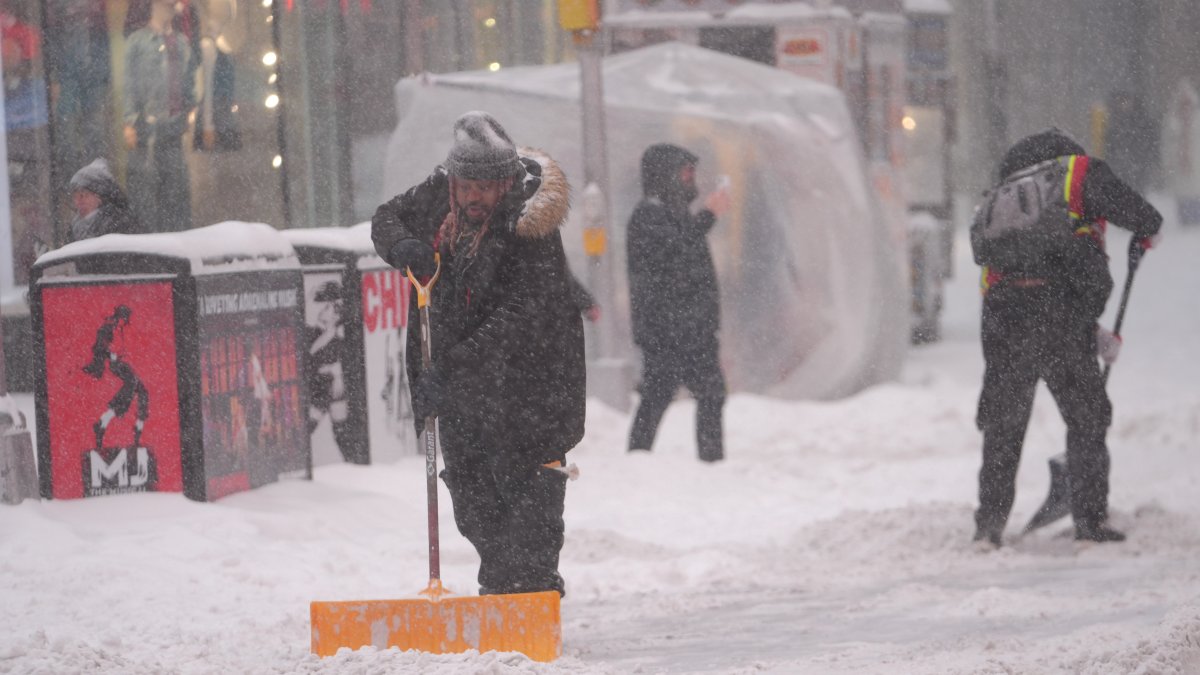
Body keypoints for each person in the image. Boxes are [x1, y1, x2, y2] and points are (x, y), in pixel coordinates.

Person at [371, 111, 585, 596]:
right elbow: (386, 217)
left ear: (505, 183)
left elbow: (519, 317)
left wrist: (450, 368)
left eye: (485, 188)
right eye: (465, 186)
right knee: (473, 504)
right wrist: (402, 246)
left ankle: (529, 596)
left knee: (528, 509)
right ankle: (505, 592)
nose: (473, 197)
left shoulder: (532, 229)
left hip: (530, 392)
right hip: (463, 394)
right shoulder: (440, 194)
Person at [970, 128, 1162, 547]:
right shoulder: (1077, 172)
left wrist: (1088, 331)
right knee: (1086, 416)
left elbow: (1007, 280)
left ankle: (988, 526)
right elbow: (1142, 216)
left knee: (1004, 424)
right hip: (1059, 313)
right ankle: (1090, 522)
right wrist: (1148, 230)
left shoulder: (1001, 197)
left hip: (1002, 316)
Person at [625, 143, 731, 462]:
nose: (690, 180)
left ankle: (710, 462)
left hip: (691, 326)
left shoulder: (674, 213)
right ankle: (636, 459)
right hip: (666, 329)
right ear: (666, 175)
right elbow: (675, 252)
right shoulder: (648, 214)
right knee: (658, 396)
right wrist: (708, 215)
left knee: (709, 393)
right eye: (685, 173)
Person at [123, 0, 196, 233]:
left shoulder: (181, 42)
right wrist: (130, 121)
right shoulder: (137, 42)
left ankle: (174, 238)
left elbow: (188, 80)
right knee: (145, 195)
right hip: (145, 128)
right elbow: (128, 84)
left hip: (173, 128)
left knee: (174, 193)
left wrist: (189, 111)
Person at [67, 158, 137, 242]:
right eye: (75, 197)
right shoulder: (75, 227)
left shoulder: (119, 224)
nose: (77, 202)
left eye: (83, 195)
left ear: (100, 196)